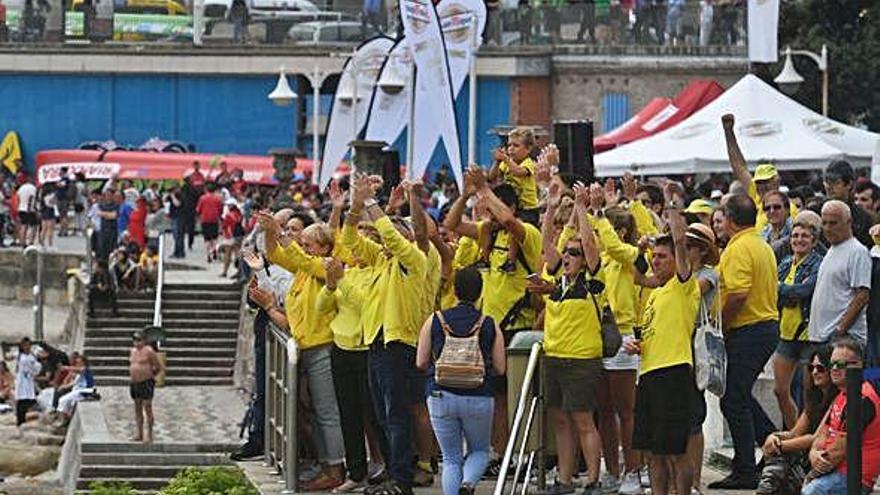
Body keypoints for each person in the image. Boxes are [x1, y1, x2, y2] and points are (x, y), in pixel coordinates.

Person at [444, 172, 543, 474]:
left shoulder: (526, 233)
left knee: (520, 397)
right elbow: (452, 225)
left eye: (493, 208)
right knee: (497, 399)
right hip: (492, 328)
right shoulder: (489, 233)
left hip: (520, 329)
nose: (488, 215)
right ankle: (503, 454)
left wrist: (485, 189)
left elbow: (511, 222)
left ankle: (527, 454)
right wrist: (465, 194)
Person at [341, 175, 429, 495]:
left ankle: (402, 480)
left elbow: (392, 236)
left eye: (397, 226)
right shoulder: (380, 259)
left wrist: (372, 204)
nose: (386, 231)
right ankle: (393, 474)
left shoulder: (414, 259)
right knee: (381, 415)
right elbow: (349, 239)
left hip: (399, 344)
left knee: (396, 414)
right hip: (376, 342)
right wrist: (355, 206)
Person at [259, 212, 347, 491]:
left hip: (322, 347)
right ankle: (324, 464)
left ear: (324, 247)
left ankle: (335, 467)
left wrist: (280, 232)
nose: (304, 247)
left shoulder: (326, 266)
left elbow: (300, 258)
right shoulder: (303, 272)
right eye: (304, 242)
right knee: (315, 411)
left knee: (327, 411)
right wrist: (270, 231)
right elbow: (275, 255)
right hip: (306, 347)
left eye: (309, 243)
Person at [527, 182, 603, 495]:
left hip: (582, 359)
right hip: (555, 356)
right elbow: (546, 244)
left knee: (584, 420)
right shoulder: (558, 278)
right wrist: (550, 206)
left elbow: (589, 245)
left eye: (574, 253)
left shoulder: (594, 280)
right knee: (560, 421)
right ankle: (565, 479)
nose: (568, 256)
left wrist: (581, 209)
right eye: (567, 252)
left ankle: (593, 480)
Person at [626, 184, 701, 495]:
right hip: (649, 374)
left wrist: (671, 207)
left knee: (676, 451)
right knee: (653, 451)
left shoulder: (685, 285)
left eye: (661, 257)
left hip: (674, 372)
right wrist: (637, 346)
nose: (655, 261)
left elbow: (681, 241)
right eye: (653, 257)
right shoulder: (654, 294)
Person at [710, 193, 779, 490]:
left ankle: (747, 468)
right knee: (738, 395)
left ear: (731, 220)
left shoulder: (739, 248)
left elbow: (738, 293)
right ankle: (775, 446)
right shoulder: (760, 244)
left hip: (749, 329)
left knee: (733, 398)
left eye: (723, 216)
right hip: (761, 329)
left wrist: (720, 326)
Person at [416, 266, 506, 495]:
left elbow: (420, 362)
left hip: (440, 395)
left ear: (454, 291)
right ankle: (468, 484)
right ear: (480, 293)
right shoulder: (488, 323)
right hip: (478, 396)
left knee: (451, 458)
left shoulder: (435, 320)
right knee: (479, 451)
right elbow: (500, 367)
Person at [229, 209, 295, 462]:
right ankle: (259, 437)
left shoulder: (295, 264)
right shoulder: (267, 259)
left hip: (286, 330)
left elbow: (278, 299)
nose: (278, 232)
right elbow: (254, 297)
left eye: (284, 228)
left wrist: (269, 302)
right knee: (263, 387)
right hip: (265, 329)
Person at [802, 337, 880, 495]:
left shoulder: (861, 399)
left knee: (812, 491)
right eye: (832, 364)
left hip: (853, 478)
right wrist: (813, 453)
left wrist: (811, 475)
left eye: (841, 365)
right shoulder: (842, 395)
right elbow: (822, 434)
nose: (834, 369)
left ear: (858, 366)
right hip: (835, 472)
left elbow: (838, 452)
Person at [757, 346, 838, 495]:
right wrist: (774, 437)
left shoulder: (838, 399)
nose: (814, 372)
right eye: (811, 368)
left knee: (779, 458)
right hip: (809, 457)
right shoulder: (814, 399)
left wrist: (780, 445)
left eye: (820, 368)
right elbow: (795, 433)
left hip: (827, 460)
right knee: (778, 459)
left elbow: (814, 438)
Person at [773, 220, 824, 430]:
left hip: (807, 336)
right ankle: (795, 435)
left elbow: (801, 292)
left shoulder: (819, 263)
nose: (799, 240)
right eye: (795, 235)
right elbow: (777, 294)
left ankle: (805, 440)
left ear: (814, 241)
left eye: (804, 236)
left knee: (807, 394)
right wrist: (786, 290)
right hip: (785, 334)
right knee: (779, 390)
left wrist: (781, 288)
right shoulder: (785, 262)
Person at [808, 201, 872, 347]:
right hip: (823, 336)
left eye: (833, 223)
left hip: (843, 339)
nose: (828, 228)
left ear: (849, 222)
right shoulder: (832, 249)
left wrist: (840, 329)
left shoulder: (857, 251)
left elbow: (862, 296)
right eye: (824, 223)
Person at [722, 114, 798, 233]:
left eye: (766, 181)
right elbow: (739, 166)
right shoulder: (757, 197)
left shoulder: (788, 208)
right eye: (758, 182)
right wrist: (728, 132)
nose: (762, 186)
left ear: (777, 181)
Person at [823, 160, 876, 248]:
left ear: (849, 184)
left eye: (836, 182)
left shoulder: (863, 218)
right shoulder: (815, 212)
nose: (829, 187)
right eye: (827, 182)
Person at [129, 331, 162, 443]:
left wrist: (150, 375)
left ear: (144, 340)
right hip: (135, 382)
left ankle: (150, 434)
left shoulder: (149, 351)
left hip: (146, 381)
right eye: (135, 340)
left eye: (139, 340)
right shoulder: (133, 351)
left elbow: (158, 366)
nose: (137, 343)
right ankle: (139, 433)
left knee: (147, 406)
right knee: (137, 407)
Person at [55, 355, 95, 421]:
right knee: (68, 404)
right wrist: (63, 387)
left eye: (79, 362)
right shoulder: (79, 373)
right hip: (78, 391)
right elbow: (74, 383)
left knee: (62, 400)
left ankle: (61, 420)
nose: (77, 363)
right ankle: (65, 419)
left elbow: (78, 370)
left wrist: (65, 368)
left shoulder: (85, 370)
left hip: (83, 391)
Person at [15, 337, 41, 428]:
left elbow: (37, 367)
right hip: (21, 378)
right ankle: (19, 420)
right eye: (25, 345)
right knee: (21, 398)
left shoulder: (32, 355)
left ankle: (24, 418)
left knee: (28, 397)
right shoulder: (19, 355)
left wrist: (34, 372)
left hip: (29, 378)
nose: (27, 347)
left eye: (28, 345)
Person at [197, 182, 223, 263]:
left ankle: (208, 254)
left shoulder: (202, 198)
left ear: (206, 189)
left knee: (207, 238)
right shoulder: (218, 198)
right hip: (214, 220)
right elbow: (220, 209)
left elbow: (198, 209)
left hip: (205, 220)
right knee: (214, 238)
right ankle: (214, 249)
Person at [220, 199, 244, 278]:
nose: (228, 206)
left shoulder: (228, 215)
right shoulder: (240, 214)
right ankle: (239, 271)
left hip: (229, 236)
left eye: (229, 205)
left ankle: (224, 272)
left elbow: (224, 226)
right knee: (238, 255)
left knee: (227, 255)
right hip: (239, 236)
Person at [16, 176, 38, 247]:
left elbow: (17, 198)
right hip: (31, 209)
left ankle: (23, 242)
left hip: (21, 208)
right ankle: (31, 242)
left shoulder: (21, 188)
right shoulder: (33, 188)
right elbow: (34, 198)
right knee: (33, 226)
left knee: (23, 225)